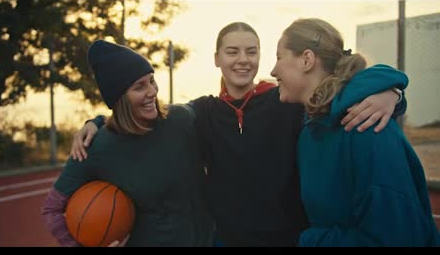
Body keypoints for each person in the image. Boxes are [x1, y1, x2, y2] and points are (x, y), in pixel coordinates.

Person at [71, 22, 407, 247]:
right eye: (232, 51)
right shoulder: (200, 113)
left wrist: (390, 92)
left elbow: (338, 96)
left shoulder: (288, 100)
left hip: (289, 237)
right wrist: (99, 121)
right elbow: (149, 116)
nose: (242, 60)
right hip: (227, 240)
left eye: (252, 52)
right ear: (217, 59)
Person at [271, 17, 440, 247]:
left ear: (307, 60)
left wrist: (307, 240)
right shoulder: (310, 130)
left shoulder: (366, 128)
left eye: (280, 57)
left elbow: (396, 238)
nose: (272, 70)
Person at [41, 40, 214, 247]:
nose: (151, 92)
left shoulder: (180, 119)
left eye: (151, 81)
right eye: (139, 87)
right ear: (119, 98)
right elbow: (52, 209)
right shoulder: (97, 146)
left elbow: (222, 104)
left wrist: (96, 120)